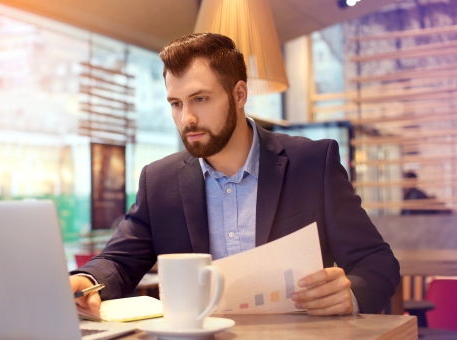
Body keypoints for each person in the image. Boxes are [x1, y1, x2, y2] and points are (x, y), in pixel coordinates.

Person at [70, 33, 400, 316]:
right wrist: (84, 281)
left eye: (200, 99)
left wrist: (352, 294)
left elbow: (377, 261)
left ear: (239, 94)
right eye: (176, 103)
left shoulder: (313, 162)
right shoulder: (159, 182)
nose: (187, 119)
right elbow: (117, 261)